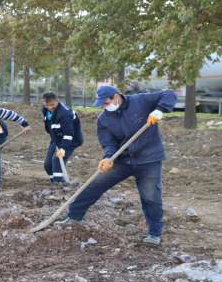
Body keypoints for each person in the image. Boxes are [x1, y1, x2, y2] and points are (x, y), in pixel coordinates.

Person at [57, 86, 177, 246]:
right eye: (102, 104)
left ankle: (154, 234)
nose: (105, 106)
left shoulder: (140, 101)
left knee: (150, 197)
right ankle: (73, 217)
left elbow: (169, 94)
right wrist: (108, 157)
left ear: (116, 97)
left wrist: (159, 110)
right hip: (122, 160)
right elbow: (108, 142)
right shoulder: (103, 119)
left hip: (149, 159)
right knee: (94, 185)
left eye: (106, 102)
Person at [41, 92, 83, 184]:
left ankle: (59, 184)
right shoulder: (45, 110)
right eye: (47, 105)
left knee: (57, 160)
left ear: (57, 101)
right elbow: (49, 125)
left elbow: (68, 134)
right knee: (48, 164)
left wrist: (63, 149)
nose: (50, 107)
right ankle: (54, 181)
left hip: (71, 139)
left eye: (52, 105)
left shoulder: (65, 113)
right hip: (56, 138)